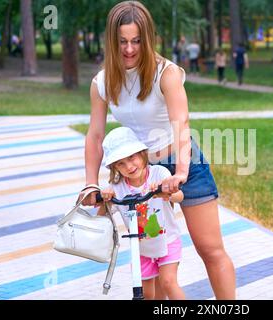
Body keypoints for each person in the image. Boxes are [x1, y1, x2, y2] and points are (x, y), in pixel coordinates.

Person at [83, 1, 236, 300]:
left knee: (210, 248)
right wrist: (90, 182)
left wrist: (180, 172)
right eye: (123, 42)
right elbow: (95, 135)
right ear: (112, 42)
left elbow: (181, 122)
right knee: (151, 261)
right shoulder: (101, 82)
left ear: (147, 38)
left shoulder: (165, 73)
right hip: (137, 174)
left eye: (137, 41)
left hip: (181, 161)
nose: (129, 49)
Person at [97, 127, 185, 300]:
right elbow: (101, 218)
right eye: (121, 163)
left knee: (168, 282)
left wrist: (164, 192)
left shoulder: (159, 174)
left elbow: (180, 196)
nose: (129, 166)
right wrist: (105, 200)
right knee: (145, 293)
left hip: (168, 241)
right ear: (115, 168)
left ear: (142, 153)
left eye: (132, 157)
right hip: (141, 250)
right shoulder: (118, 188)